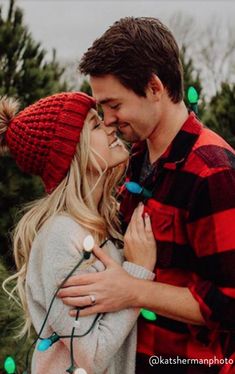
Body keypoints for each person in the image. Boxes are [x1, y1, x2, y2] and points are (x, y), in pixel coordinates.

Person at [57, 17, 235, 374]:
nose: (107, 120)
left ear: (154, 87)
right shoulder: (134, 159)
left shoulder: (213, 171)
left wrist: (133, 290)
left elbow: (230, 303)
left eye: (114, 105)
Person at [0, 92, 157, 374]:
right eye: (96, 125)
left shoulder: (106, 222)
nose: (110, 125)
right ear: (73, 153)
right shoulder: (62, 236)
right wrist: (138, 274)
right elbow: (90, 355)